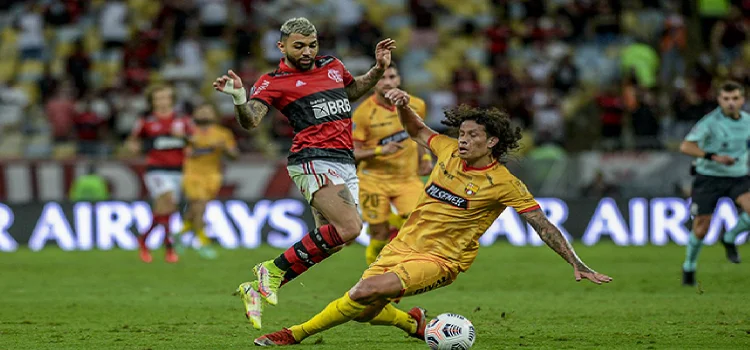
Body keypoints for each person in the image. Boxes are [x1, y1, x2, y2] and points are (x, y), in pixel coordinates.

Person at [252, 90, 612, 346]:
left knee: (363, 291)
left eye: (472, 135)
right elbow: (418, 132)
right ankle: (413, 322)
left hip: (442, 258)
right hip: (402, 245)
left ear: (492, 142)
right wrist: (405, 107)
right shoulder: (448, 152)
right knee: (363, 310)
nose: (463, 140)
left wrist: (576, 263)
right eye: (462, 133)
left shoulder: (504, 184)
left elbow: (542, 224)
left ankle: (294, 334)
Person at [212, 17, 395, 329]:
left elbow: (351, 92)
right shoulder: (273, 81)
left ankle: (256, 290)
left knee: (336, 240)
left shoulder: (333, 65)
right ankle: (270, 269)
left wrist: (377, 70)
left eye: (312, 45)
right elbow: (251, 120)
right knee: (351, 227)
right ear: (281, 46)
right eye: (299, 46)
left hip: (343, 159)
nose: (307, 51)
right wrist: (240, 99)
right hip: (312, 158)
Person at [351, 63, 432, 265]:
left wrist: (425, 158)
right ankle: (372, 268)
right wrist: (379, 150)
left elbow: (419, 134)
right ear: (373, 82)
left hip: (407, 179)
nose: (388, 82)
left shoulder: (417, 104)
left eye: (392, 77)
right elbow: (352, 153)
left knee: (418, 223)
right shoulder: (363, 113)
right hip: (373, 180)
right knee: (379, 232)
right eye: (382, 78)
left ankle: (405, 267)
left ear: (399, 79)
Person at [680, 80, 750, 286]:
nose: (731, 103)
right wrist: (712, 156)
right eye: (726, 99)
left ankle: (730, 238)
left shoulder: (748, 121)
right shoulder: (709, 123)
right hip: (709, 177)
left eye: (735, 98)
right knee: (701, 228)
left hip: (737, 177)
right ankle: (689, 266)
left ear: (742, 100)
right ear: (719, 100)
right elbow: (686, 146)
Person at [127, 84, 192, 264]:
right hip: (156, 169)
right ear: (152, 102)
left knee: (165, 209)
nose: (163, 101)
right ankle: (169, 248)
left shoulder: (182, 120)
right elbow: (132, 143)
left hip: (178, 170)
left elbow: (193, 142)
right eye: (158, 98)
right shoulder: (146, 121)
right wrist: (135, 147)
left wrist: (183, 139)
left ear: (171, 99)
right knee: (168, 200)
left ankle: (144, 239)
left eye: (166, 97)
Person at [172, 103, 238, 259]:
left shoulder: (223, 134)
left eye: (207, 110)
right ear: (195, 114)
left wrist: (225, 149)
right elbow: (188, 153)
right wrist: (207, 146)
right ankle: (203, 243)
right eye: (201, 110)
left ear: (214, 115)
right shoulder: (187, 132)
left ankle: (179, 235)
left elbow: (235, 155)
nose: (204, 113)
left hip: (213, 175)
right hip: (192, 174)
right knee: (200, 206)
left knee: (195, 210)